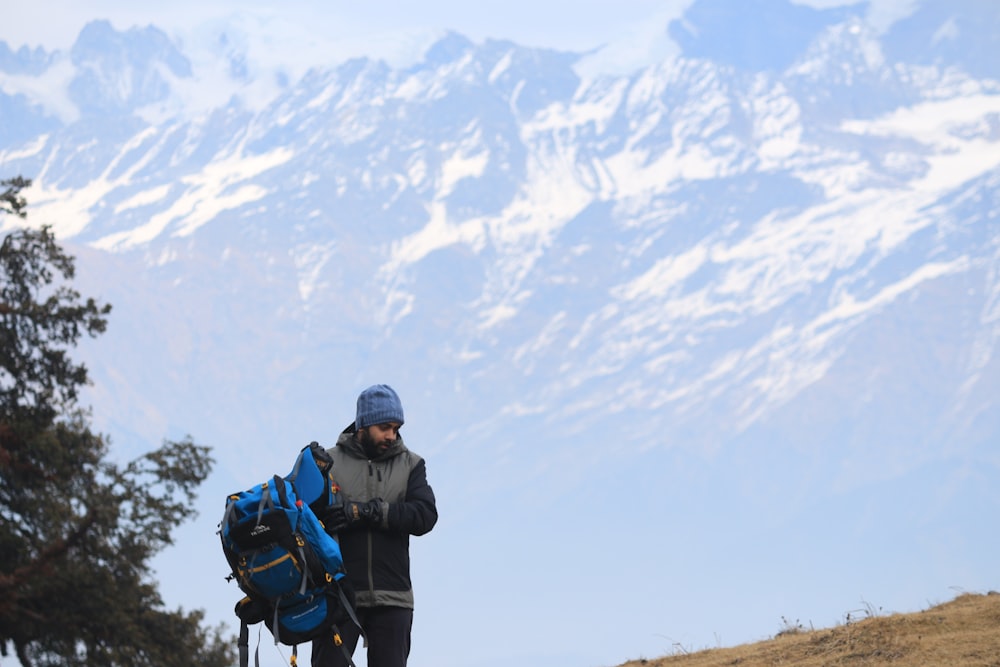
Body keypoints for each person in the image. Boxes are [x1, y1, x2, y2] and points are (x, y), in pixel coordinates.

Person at [313, 384, 438, 667]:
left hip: (393, 598)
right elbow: (306, 520)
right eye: (384, 427)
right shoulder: (327, 463)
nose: (391, 436)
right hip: (338, 595)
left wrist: (368, 512)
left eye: (395, 428)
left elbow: (425, 515)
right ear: (363, 424)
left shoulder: (411, 464)